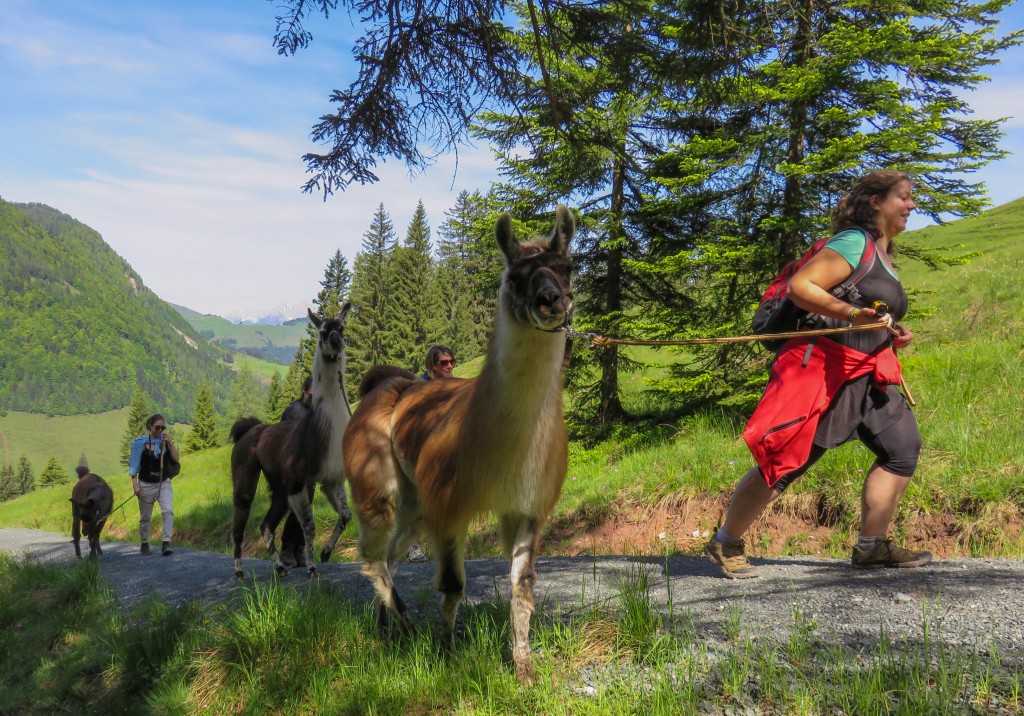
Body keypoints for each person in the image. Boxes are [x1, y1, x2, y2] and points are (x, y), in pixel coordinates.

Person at [705, 169, 931, 578]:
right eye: (905, 197)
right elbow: (802, 286)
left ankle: (871, 546)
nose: (912, 205)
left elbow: (868, 313)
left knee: (902, 448)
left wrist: (893, 333)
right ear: (876, 202)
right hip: (827, 368)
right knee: (790, 460)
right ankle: (726, 542)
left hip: (868, 374)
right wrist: (849, 313)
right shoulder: (854, 243)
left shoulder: (883, 255)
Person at [401, 344, 457, 563]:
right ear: (432, 365)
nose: (450, 366)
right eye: (444, 362)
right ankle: (413, 546)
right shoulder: (419, 387)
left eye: (452, 361)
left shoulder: (453, 386)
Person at [280, 376, 317, 569]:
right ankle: (287, 548)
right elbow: (281, 437)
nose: (313, 398)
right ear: (304, 391)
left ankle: (298, 549)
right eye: (311, 395)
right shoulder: (292, 410)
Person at [130, 414, 179, 556]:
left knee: (168, 510)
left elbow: (176, 458)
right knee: (145, 517)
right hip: (145, 484)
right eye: (157, 427)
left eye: (162, 427)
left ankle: (166, 544)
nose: (160, 430)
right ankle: (144, 543)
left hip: (163, 483)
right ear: (150, 426)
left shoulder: (164, 442)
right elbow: (133, 465)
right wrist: (135, 484)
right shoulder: (139, 443)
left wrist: (170, 443)